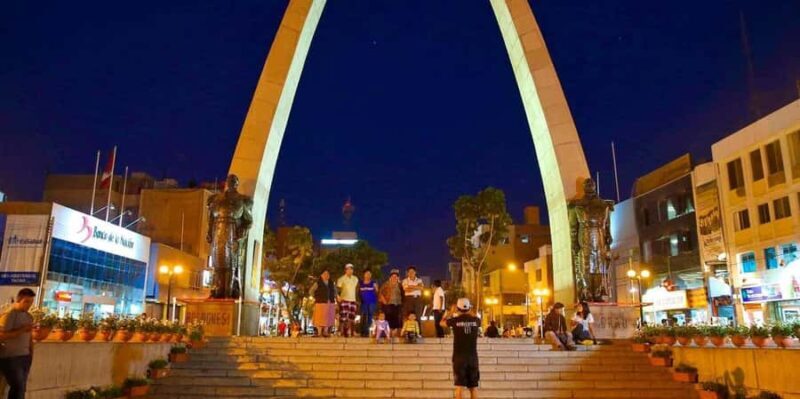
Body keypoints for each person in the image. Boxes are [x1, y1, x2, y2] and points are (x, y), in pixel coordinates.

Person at [440, 299, 481, 399]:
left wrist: (450, 312)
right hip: (472, 357)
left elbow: (441, 323)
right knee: (474, 387)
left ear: (458, 308)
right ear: (469, 307)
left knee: (459, 387)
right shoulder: (476, 321)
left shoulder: (455, 320)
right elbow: (475, 315)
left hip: (459, 357)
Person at [0, 288, 36, 399]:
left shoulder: (29, 317)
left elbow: (30, 337)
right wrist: (22, 329)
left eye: (31, 302)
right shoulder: (9, 315)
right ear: (18, 300)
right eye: (26, 302)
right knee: (18, 386)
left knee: (21, 388)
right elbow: (2, 336)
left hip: (25, 356)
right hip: (11, 357)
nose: (29, 305)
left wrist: (31, 353)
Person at [310, 269, 337, 337]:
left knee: (327, 318)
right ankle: (319, 332)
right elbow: (311, 291)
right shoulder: (317, 283)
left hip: (329, 303)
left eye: (328, 274)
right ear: (321, 275)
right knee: (319, 317)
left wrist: (334, 298)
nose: (326, 275)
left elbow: (335, 292)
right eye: (324, 274)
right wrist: (316, 297)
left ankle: (325, 331)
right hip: (320, 303)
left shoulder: (331, 283)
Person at [336, 264, 360, 337]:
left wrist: (357, 299)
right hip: (344, 299)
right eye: (348, 269)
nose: (350, 270)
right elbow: (337, 289)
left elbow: (356, 289)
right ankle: (341, 331)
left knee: (351, 317)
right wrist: (337, 297)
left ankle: (350, 331)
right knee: (343, 317)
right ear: (345, 270)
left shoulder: (355, 279)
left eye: (351, 269)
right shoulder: (341, 279)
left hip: (352, 300)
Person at [379, 269, 403, 337]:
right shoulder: (386, 284)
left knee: (396, 317)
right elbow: (380, 293)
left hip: (397, 303)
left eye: (396, 276)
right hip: (389, 303)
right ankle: (388, 332)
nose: (394, 278)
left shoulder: (400, 285)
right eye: (393, 276)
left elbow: (403, 294)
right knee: (388, 317)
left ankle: (394, 332)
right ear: (390, 277)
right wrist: (384, 301)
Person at [401, 266, 424, 333]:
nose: (411, 273)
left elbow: (421, 288)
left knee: (418, 316)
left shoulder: (419, 280)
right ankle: (406, 332)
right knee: (408, 315)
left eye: (412, 272)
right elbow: (406, 289)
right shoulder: (405, 280)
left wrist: (411, 287)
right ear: (407, 273)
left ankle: (418, 333)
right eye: (410, 272)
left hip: (418, 299)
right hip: (409, 299)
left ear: (415, 272)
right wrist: (417, 287)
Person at [358, 269, 379, 337]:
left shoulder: (373, 282)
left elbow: (377, 292)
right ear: (364, 275)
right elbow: (358, 292)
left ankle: (366, 331)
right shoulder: (360, 283)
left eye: (369, 274)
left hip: (372, 302)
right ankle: (362, 331)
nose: (368, 275)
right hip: (363, 302)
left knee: (370, 316)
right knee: (363, 316)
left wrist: (376, 288)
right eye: (366, 274)